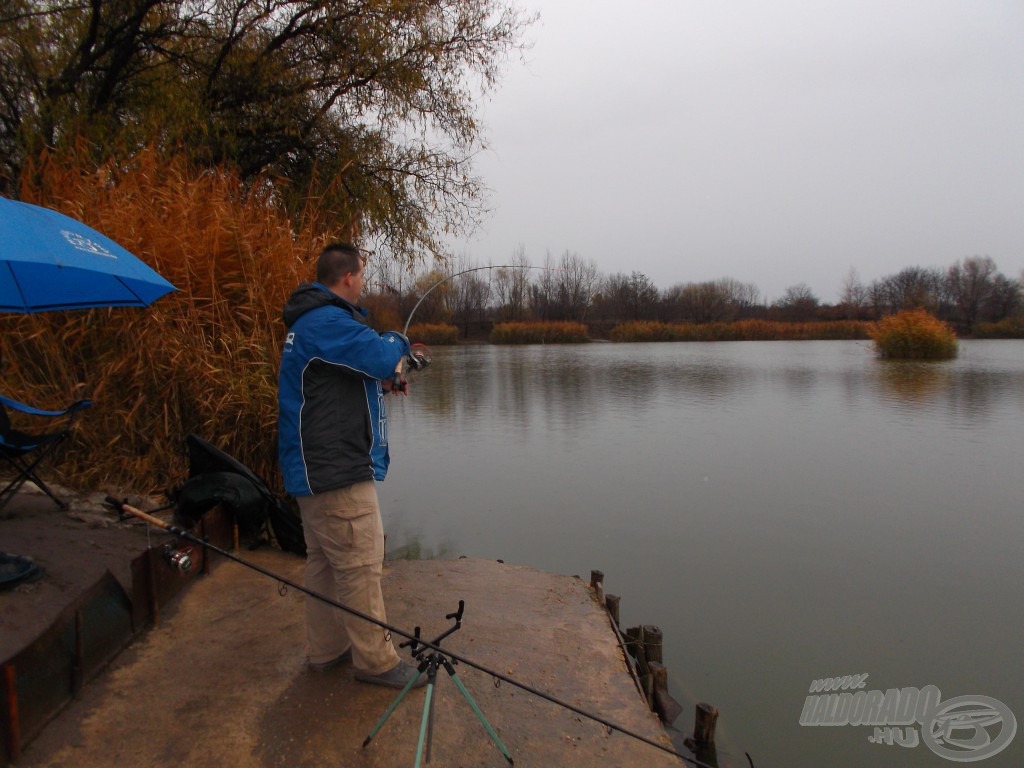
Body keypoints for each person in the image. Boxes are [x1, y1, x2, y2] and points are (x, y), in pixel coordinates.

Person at [277, 242, 423, 689]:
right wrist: (399, 345)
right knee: (361, 563)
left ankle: (327, 651)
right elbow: (379, 353)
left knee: (323, 565)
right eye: (362, 274)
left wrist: (386, 381)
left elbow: (351, 374)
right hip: (335, 469)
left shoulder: (313, 323)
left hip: (312, 470)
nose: (364, 282)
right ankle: (377, 663)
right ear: (348, 278)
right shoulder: (327, 321)